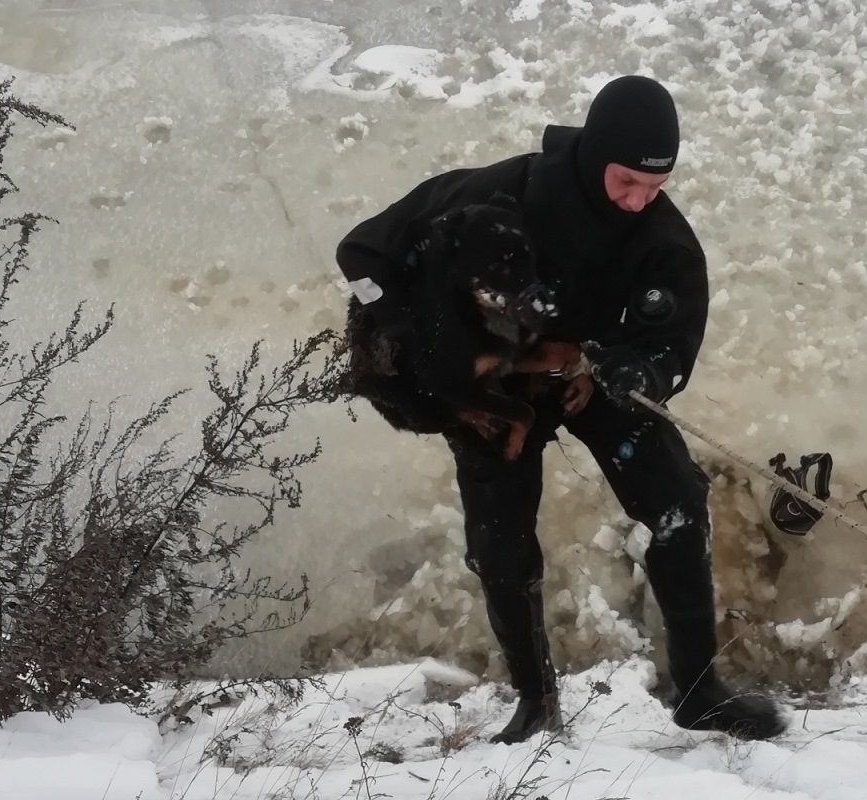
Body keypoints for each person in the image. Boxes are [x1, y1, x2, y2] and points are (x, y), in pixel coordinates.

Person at [336, 75, 788, 743]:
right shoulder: (493, 195)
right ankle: (535, 704)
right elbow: (361, 252)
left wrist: (648, 368)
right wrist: (402, 328)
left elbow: (672, 340)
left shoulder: (663, 239)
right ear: (593, 154)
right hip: (499, 382)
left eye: (654, 188)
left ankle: (699, 691)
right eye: (626, 182)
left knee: (677, 500)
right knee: (500, 538)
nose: (639, 202)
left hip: (588, 371)